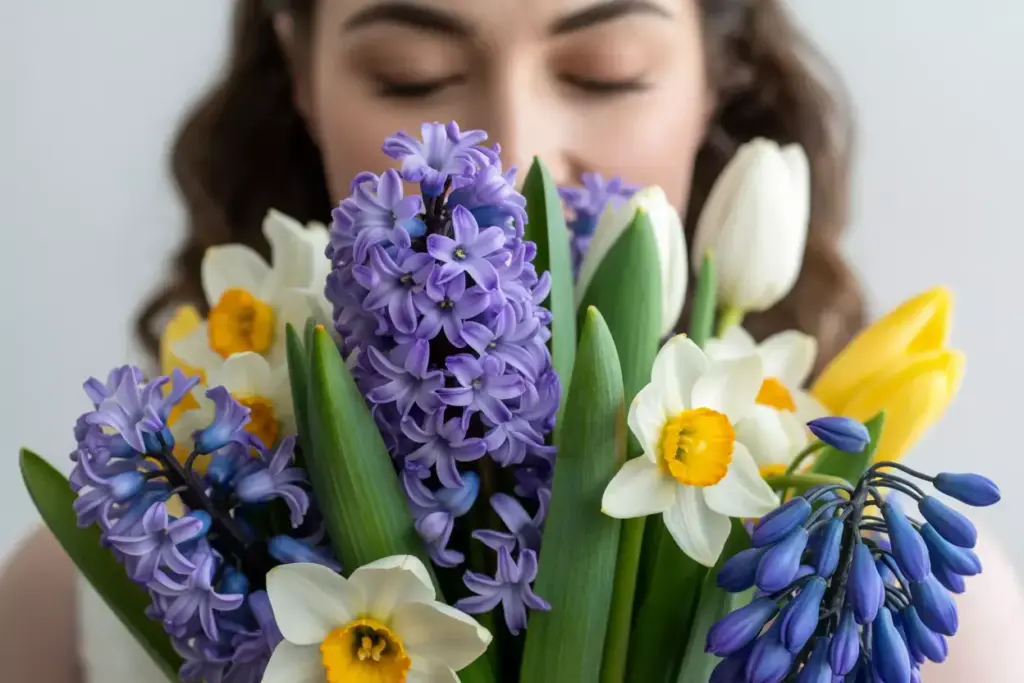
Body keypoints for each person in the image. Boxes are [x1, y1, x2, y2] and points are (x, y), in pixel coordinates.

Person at [1, 1, 1018, 681]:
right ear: (300, 74)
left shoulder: (916, 604)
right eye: (411, 76)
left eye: (606, 72)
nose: (517, 155)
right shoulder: (70, 594)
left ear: (717, 74)